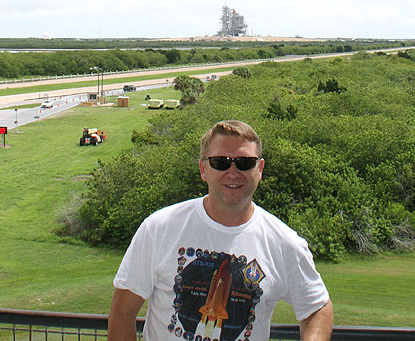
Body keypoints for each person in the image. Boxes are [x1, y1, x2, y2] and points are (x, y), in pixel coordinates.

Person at [108, 120, 333, 341]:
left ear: (260, 169)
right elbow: (122, 312)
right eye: (220, 162)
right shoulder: (159, 228)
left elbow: (317, 307)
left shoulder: (284, 243)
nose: (233, 172)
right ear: (203, 169)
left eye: (245, 163)